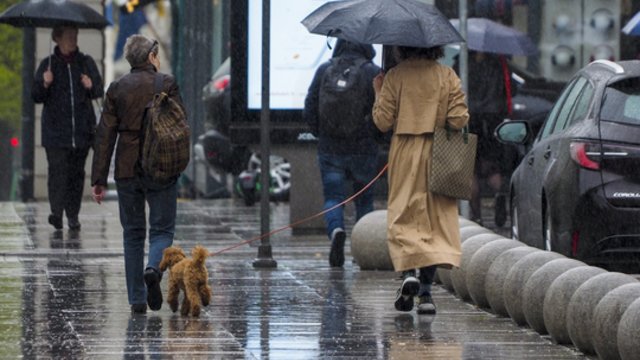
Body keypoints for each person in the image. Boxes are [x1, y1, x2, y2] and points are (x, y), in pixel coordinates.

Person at [90, 34, 185, 314]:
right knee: (162, 229)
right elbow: (181, 126)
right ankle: (153, 269)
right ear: (152, 56)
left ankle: (136, 299)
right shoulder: (166, 83)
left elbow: (104, 135)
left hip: (127, 167)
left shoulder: (117, 88)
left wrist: (98, 180)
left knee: (132, 233)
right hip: (161, 166)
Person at [372, 45, 469, 314]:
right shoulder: (446, 75)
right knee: (434, 221)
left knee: (403, 215)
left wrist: (379, 90)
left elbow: (382, 121)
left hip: (404, 151)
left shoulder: (396, 76)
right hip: (439, 152)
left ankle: (407, 276)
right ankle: (426, 292)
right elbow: (459, 119)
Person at [303, 39, 381, 267]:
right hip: (363, 147)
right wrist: (376, 136)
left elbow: (310, 105)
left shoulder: (325, 69)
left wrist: (320, 132)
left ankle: (336, 229)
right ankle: (362, 248)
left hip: (330, 147)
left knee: (333, 198)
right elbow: (383, 108)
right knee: (364, 199)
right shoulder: (372, 72)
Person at [32, 25, 104, 231]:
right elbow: (35, 95)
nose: (73, 40)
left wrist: (91, 85)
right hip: (55, 132)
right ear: (57, 38)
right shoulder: (48, 65)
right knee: (57, 171)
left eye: (75, 36)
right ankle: (56, 212)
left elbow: (98, 90)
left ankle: (73, 215)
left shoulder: (86, 62)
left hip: (81, 131)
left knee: (76, 174)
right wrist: (45, 84)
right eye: (69, 36)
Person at [454, 51, 514, 226]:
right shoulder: (499, 63)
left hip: (469, 119)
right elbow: (511, 89)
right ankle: (499, 194)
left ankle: (477, 215)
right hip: (493, 120)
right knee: (492, 168)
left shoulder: (462, 63)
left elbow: (452, 89)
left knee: (470, 171)